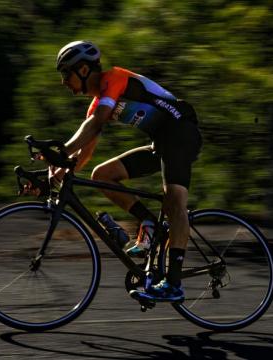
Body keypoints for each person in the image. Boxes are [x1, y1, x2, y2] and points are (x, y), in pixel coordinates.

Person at [50, 40, 201, 302]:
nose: (64, 82)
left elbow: (95, 124)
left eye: (66, 74)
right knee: (102, 175)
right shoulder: (98, 106)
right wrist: (54, 173)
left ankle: (174, 283)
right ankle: (150, 222)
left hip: (181, 132)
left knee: (175, 200)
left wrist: (61, 150)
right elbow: (84, 153)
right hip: (161, 142)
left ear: (84, 70)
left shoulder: (115, 79)